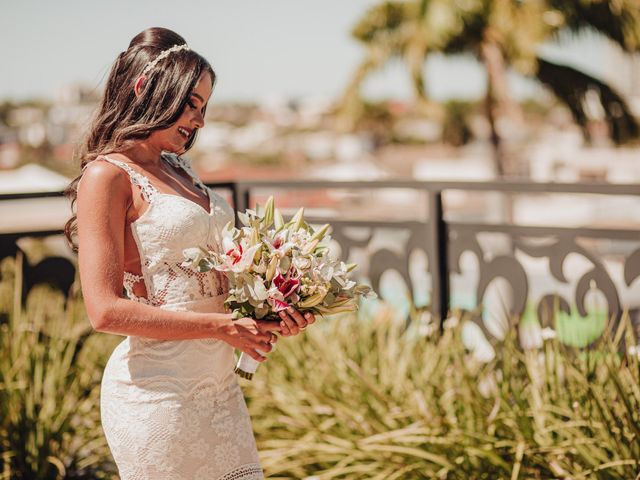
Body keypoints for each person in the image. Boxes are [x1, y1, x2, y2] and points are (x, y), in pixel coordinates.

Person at [64, 27, 315, 479]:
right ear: (146, 89)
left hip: (219, 389)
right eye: (191, 104)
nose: (199, 121)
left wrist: (275, 307)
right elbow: (103, 312)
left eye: (204, 107)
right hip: (157, 395)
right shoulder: (106, 177)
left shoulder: (181, 168)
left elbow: (212, 276)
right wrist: (223, 327)